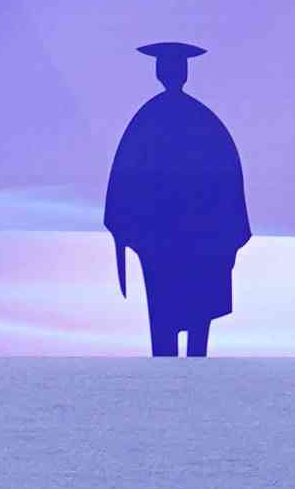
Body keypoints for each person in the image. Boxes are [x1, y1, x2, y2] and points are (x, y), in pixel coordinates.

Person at [103, 40, 249, 357]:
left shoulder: (151, 119)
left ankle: (177, 369)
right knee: (184, 315)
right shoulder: (202, 121)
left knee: (170, 315)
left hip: (176, 238)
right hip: (171, 238)